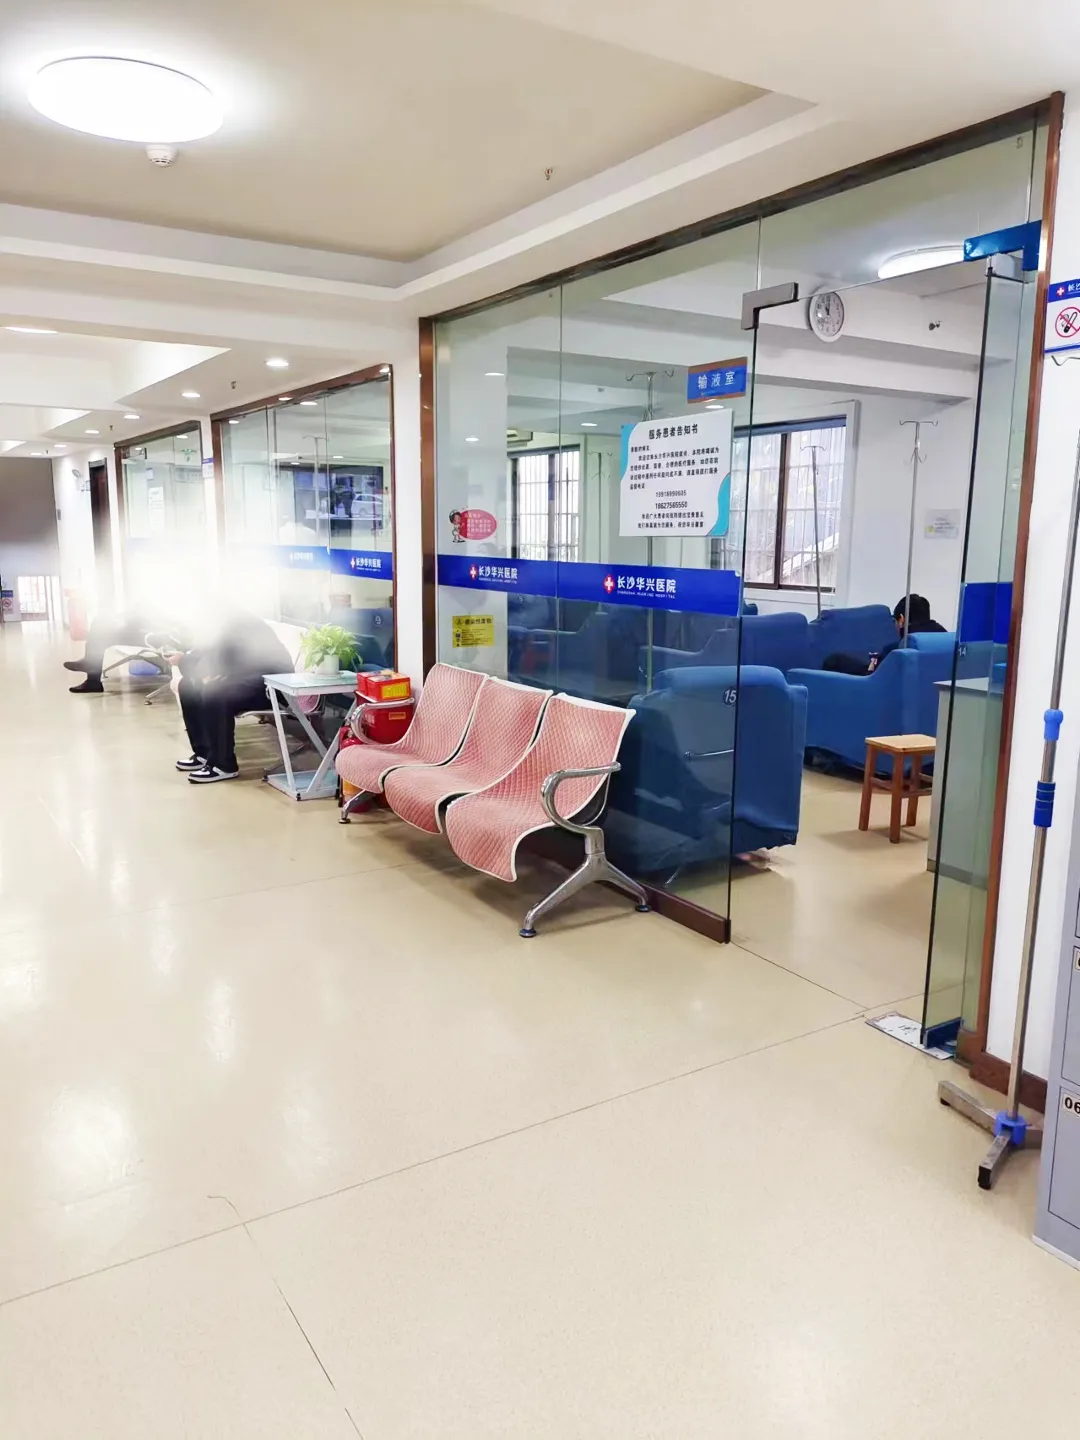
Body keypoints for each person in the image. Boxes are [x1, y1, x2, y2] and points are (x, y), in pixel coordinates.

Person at [175, 611, 293, 784]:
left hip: (272, 684)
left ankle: (223, 765)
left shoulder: (240, 623)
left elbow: (219, 657)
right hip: (246, 677)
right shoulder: (221, 625)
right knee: (188, 686)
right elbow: (207, 652)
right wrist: (188, 663)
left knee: (215, 693)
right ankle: (204, 753)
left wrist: (187, 664)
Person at [822, 594, 946, 676]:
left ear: (901, 619)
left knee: (834, 661)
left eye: (895, 621)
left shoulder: (898, 650)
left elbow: (873, 677)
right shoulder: (944, 638)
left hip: (873, 687)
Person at [63, 612, 178, 693]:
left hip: (160, 636)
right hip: (153, 630)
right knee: (101, 621)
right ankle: (91, 669)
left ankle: (92, 674)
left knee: (101, 630)